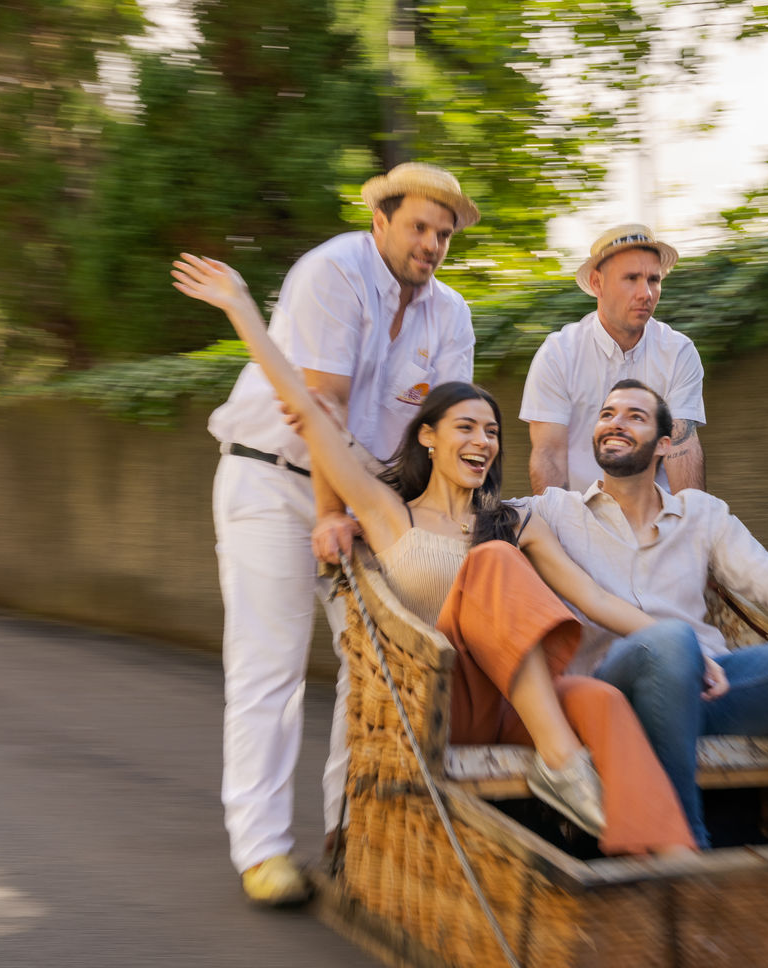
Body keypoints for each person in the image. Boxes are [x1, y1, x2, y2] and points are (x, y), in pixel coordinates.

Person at [175, 254, 697, 864]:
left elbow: (597, 600)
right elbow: (309, 410)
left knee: (601, 700)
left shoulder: (514, 521)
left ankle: (673, 866)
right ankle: (562, 763)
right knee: (492, 564)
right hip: (438, 697)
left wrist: (683, 644)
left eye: (492, 432)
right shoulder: (385, 509)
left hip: (511, 700)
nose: (482, 441)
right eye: (466, 427)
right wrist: (241, 308)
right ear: (428, 435)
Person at [201, 163, 480, 904]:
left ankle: (351, 835)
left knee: (379, 665)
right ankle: (262, 852)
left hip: (366, 498)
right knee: (273, 662)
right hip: (271, 479)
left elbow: (440, 430)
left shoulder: (451, 314)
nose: (431, 244)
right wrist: (330, 515)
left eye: (444, 234)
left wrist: (424, 526)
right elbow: (317, 410)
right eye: (419, 226)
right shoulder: (332, 272)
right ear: (381, 221)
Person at [521, 379, 768, 848]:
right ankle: (684, 842)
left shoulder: (701, 515)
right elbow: (469, 520)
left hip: (709, 686)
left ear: (664, 444)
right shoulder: (555, 511)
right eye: (607, 414)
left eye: (635, 416)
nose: (615, 423)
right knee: (672, 640)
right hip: (612, 691)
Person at [520, 224, 707, 495]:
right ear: (597, 283)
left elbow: (681, 447)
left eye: (654, 280)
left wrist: (693, 527)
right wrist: (554, 532)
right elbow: (549, 455)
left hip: (658, 521)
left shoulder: (678, 352)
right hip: (581, 518)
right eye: (631, 278)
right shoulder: (558, 354)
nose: (646, 293)